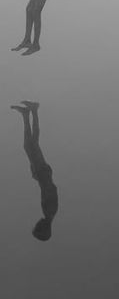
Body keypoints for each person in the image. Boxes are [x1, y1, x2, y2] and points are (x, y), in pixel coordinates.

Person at [10, 101, 58, 241]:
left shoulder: (49, 213)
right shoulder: (49, 211)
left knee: (31, 143)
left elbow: (48, 189)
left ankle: (27, 114)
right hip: (43, 172)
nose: (36, 224)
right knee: (30, 144)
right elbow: (50, 188)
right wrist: (40, 175)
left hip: (42, 172)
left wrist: (38, 176)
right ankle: (33, 111)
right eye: (38, 227)